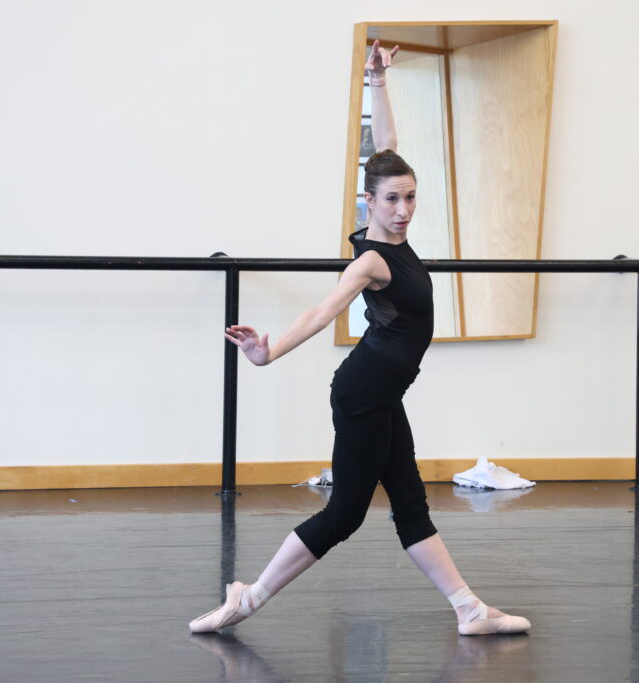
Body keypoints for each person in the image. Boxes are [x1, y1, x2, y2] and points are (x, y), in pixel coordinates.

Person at [189, 41, 530, 637]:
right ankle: (249, 597)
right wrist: (265, 353)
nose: (403, 210)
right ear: (368, 203)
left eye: (410, 197)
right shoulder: (370, 262)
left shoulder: (395, 238)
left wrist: (377, 80)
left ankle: (470, 610)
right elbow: (323, 313)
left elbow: (388, 149)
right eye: (392, 200)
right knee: (345, 513)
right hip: (363, 393)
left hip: (383, 394)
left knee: (410, 504)